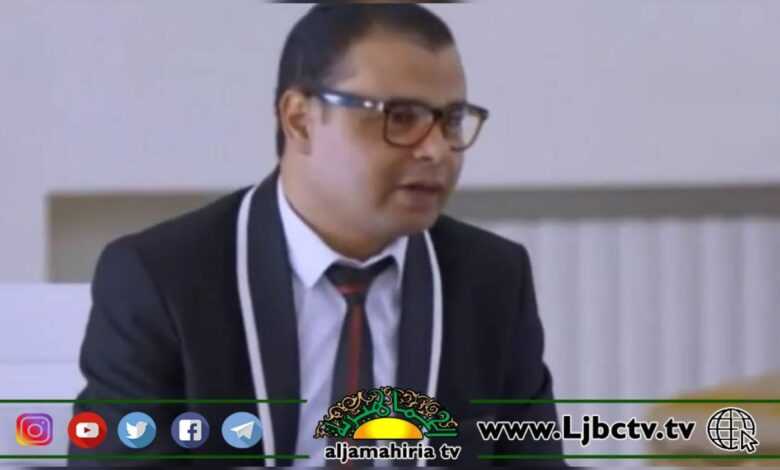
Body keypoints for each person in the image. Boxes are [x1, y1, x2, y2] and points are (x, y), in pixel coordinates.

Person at [69, 4, 565, 467]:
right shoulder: (162, 279)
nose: (437, 151)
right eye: (401, 117)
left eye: (451, 120)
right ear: (300, 120)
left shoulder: (492, 279)